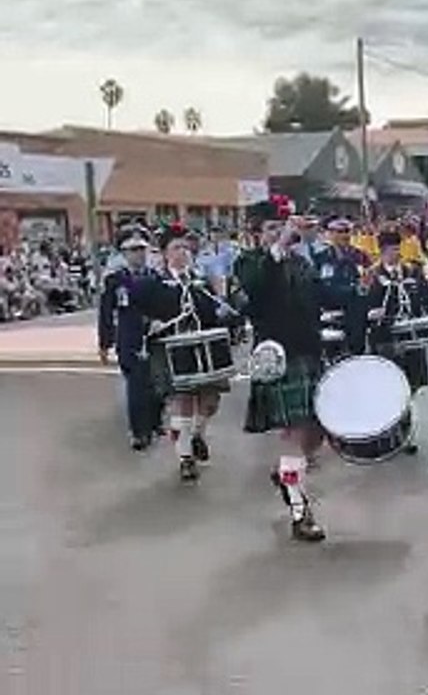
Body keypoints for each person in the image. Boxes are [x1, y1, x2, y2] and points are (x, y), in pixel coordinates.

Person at [238, 203, 328, 542]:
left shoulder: (302, 263)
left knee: (316, 433)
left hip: (308, 352)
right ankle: (299, 512)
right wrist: (279, 247)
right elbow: (258, 288)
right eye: (272, 229)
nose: (281, 234)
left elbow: (321, 297)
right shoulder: (250, 263)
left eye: (282, 228)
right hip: (279, 357)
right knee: (294, 433)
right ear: (258, 234)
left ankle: (287, 474)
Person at [136, 223, 237, 483]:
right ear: (165, 253)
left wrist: (223, 314)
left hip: (204, 351)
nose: (183, 252)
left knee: (211, 401)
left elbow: (213, 312)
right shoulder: (154, 284)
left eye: (185, 247)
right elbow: (138, 315)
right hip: (173, 351)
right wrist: (151, 325)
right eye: (176, 247)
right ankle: (185, 459)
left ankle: (196, 435)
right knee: (182, 402)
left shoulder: (200, 281)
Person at [97, 225, 162, 450]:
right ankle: (139, 432)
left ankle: (154, 423)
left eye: (142, 249)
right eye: (133, 250)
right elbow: (106, 312)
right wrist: (105, 342)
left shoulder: (155, 277)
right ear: (123, 253)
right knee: (136, 387)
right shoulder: (116, 280)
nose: (139, 254)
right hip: (129, 339)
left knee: (156, 385)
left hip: (154, 337)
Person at [366, 229, 428, 402]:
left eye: (397, 248)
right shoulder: (371, 275)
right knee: (388, 385)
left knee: (411, 385)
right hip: (386, 338)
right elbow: (363, 304)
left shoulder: (413, 272)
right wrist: (371, 313)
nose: (396, 253)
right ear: (382, 251)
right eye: (391, 250)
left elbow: (427, 299)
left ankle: (407, 422)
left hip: (412, 339)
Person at [313, 217, 371, 359]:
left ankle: (357, 351)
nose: (344, 236)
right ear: (330, 234)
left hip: (356, 305)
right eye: (339, 232)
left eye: (347, 231)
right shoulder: (322, 258)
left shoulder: (360, 256)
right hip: (330, 302)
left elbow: (367, 278)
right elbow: (321, 285)